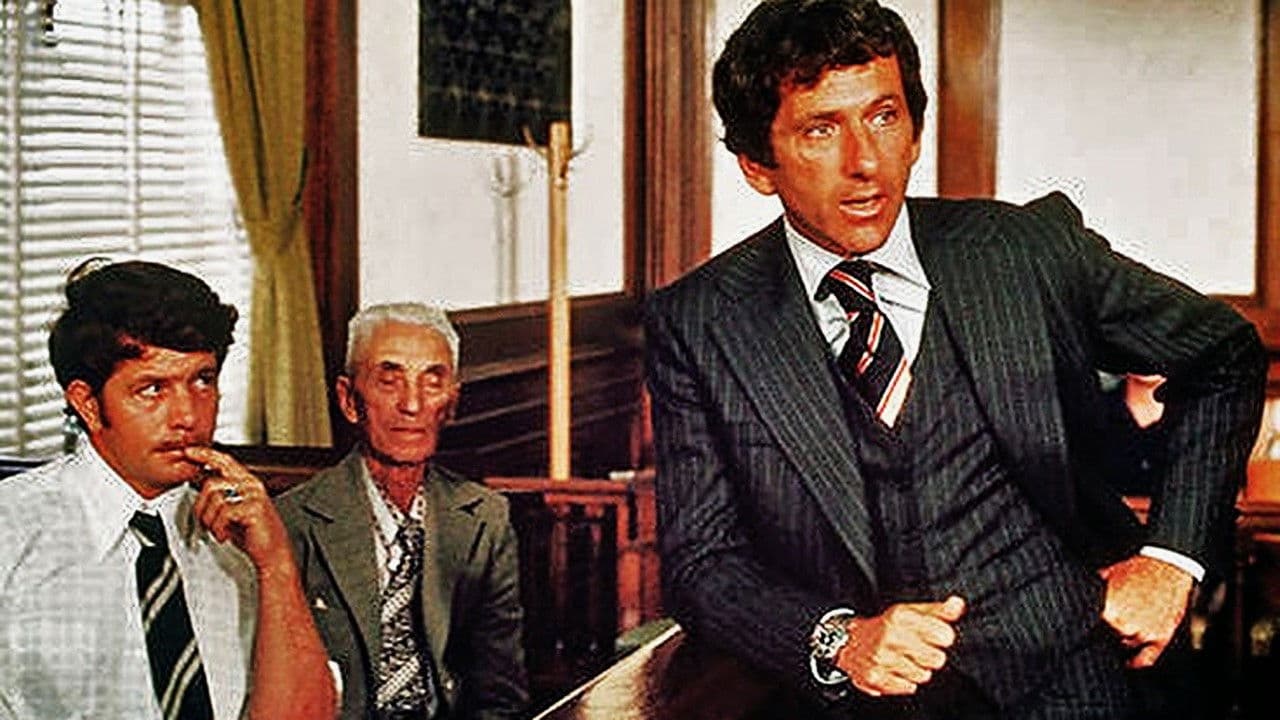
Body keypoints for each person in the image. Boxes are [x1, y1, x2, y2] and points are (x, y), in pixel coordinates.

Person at [643, 1, 1268, 718]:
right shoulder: (700, 321)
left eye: (884, 117)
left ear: (914, 131)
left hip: (1080, 678)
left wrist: (1170, 559)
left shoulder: (1026, 251)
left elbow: (1224, 353)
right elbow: (702, 562)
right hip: (864, 705)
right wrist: (838, 640)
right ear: (758, 165)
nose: (865, 162)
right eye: (821, 129)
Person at [0, 260, 336, 719]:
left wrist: (275, 565)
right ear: (88, 404)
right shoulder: (13, 535)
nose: (188, 417)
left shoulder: (244, 540)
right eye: (152, 389)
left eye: (203, 380)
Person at [276, 303, 527, 720]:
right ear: (349, 400)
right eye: (389, 382)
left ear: (452, 403)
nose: (412, 404)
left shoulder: (484, 520)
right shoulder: (292, 523)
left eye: (432, 382)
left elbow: (500, 695)